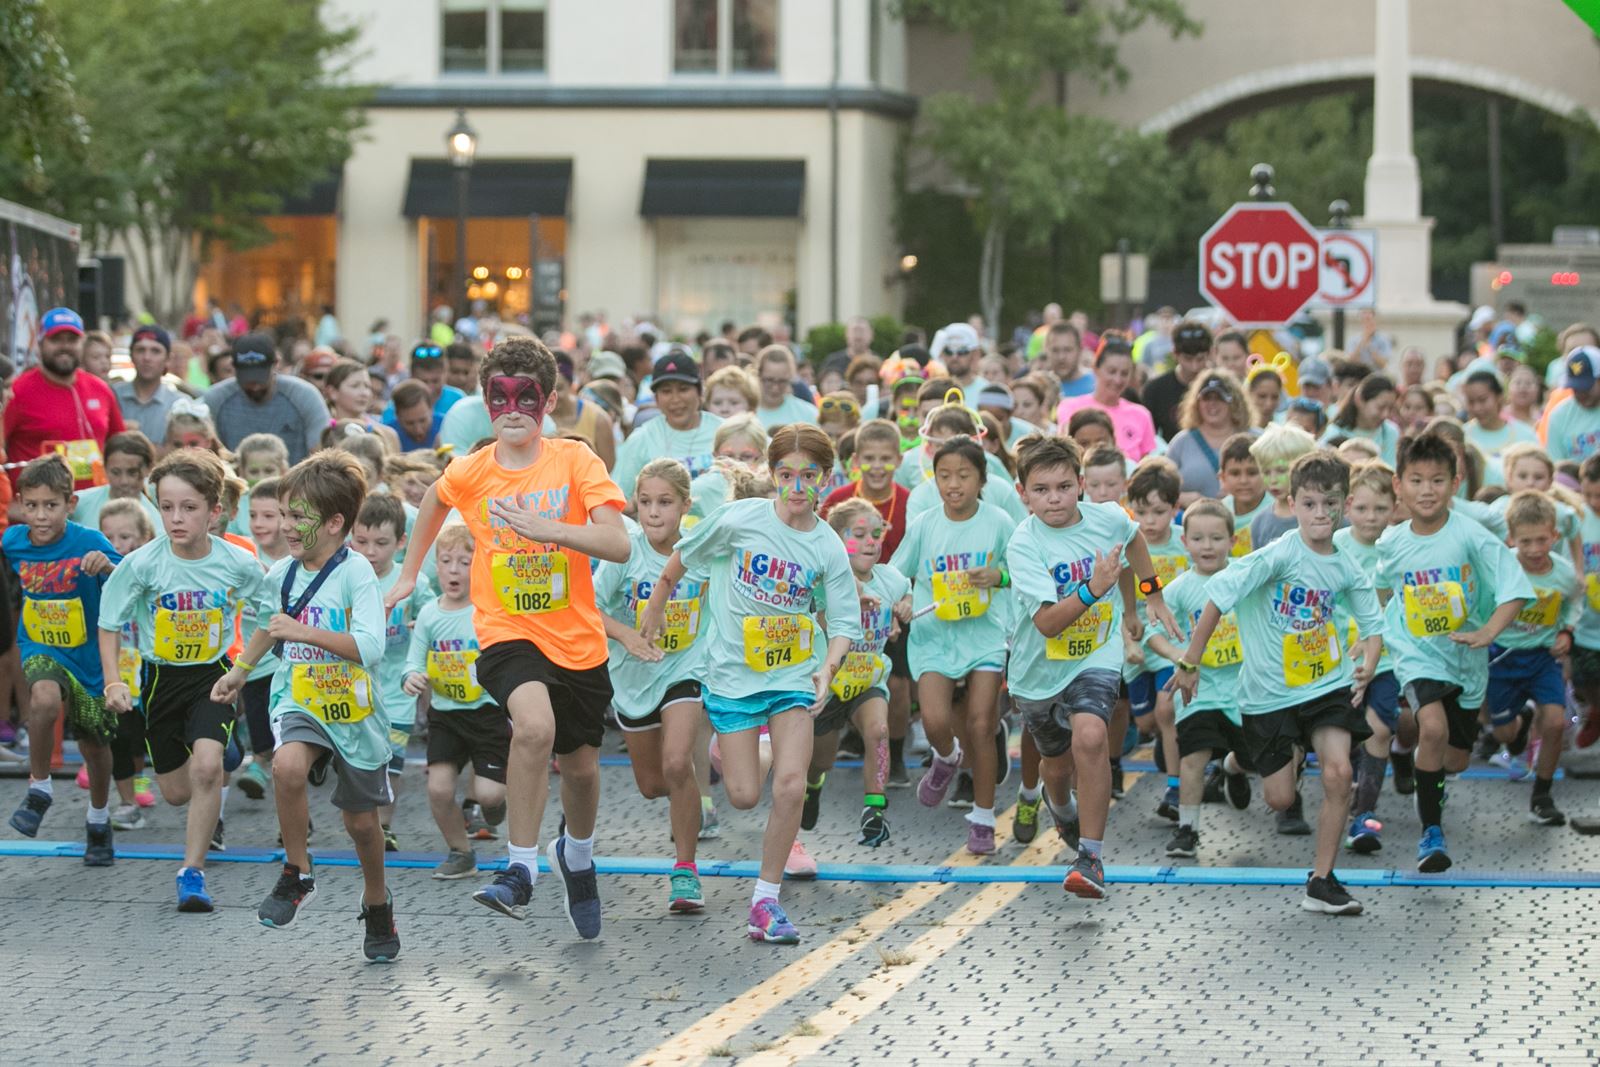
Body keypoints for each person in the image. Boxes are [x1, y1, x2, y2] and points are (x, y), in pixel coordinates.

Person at [389, 336, 628, 941]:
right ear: (486, 400)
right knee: (534, 728)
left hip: (576, 636)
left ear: (548, 401)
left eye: (527, 397)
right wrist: (410, 571)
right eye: (500, 398)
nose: (513, 409)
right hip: (505, 632)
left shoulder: (575, 462)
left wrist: (549, 528)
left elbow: (618, 543)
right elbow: (432, 502)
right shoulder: (471, 471)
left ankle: (577, 854)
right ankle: (520, 870)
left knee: (580, 769)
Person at [640, 424, 860, 944]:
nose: (798, 487)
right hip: (734, 675)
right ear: (772, 475)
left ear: (826, 480)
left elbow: (845, 622)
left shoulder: (827, 546)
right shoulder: (741, 520)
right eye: (787, 475)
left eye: (810, 476)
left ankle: (765, 901)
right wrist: (655, 604)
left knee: (790, 785)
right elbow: (683, 556)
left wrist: (827, 669)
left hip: (794, 675)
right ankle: (739, 751)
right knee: (741, 796)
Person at [1170, 450, 1383, 916]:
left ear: (1345, 506)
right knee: (1280, 797)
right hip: (1267, 694)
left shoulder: (1347, 565)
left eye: (1330, 504)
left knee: (1339, 774)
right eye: (1309, 504)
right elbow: (1217, 599)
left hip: (1325, 685)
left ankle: (1322, 881)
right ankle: (1234, 763)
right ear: (1294, 503)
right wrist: (1189, 660)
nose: (1320, 514)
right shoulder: (1276, 556)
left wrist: (1367, 662)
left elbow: (1372, 627)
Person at [210, 451, 399, 960]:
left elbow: (370, 646)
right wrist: (240, 670)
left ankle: (377, 902)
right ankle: (298, 871)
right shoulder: (281, 574)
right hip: (300, 697)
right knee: (287, 766)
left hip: (354, 710)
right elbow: (269, 625)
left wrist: (304, 631)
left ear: (335, 523)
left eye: (298, 517)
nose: (286, 527)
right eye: (284, 514)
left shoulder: (356, 574)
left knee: (362, 826)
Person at [98, 448, 269, 912]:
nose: (176, 518)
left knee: (208, 767)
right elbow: (109, 621)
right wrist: (114, 682)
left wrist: (242, 668)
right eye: (167, 506)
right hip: (159, 681)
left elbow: (272, 614)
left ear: (214, 511)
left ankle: (191, 873)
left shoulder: (238, 562)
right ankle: (218, 763)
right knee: (176, 792)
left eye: (189, 508)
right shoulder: (143, 564)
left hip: (214, 677)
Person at [1005, 436, 1172, 898]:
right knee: (1055, 771)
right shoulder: (1024, 544)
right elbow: (1047, 624)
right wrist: (1096, 589)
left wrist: (1149, 594)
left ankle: (1091, 857)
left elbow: (1133, 538)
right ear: (1023, 494)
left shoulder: (1108, 517)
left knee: (1093, 737)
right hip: (1038, 671)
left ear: (1081, 485)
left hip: (1096, 653)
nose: (1053, 499)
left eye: (1063, 486)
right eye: (1041, 490)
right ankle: (1059, 806)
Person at [1376, 430, 1532, 874]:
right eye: (1417, 480)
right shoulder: (1391, 542)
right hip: (1416, 653)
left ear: (1456, 482)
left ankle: (1428, 781)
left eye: (1438, 480)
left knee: (1455, 758)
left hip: (1466, 657)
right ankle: (1432, 834)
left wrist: (1487, 632)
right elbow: (1382, 589)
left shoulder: (1472, 537)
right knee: (1431, 728)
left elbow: (1515, 590)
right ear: (1398, 484)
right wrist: (1379, 639)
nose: (1427, 490)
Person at [595, 459, 711, 912]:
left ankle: (685, 871)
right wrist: (625, 635)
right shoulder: (624, 553)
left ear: (686, 505)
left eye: (665, 502)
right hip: (633, 675)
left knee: (678, 761)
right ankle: (689, 795)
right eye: (645, 503)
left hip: (685, 669)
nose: (654, 513)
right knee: (653, 783)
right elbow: (588, 607)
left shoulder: (701, 553)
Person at [892, 436, 1016, 854]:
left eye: (964, 475)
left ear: (982, 478)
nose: (953, 484)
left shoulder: (999, 522)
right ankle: (946, 757)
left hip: (983, 634)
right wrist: (902, 600)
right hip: (934, 637)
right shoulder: (926, 523)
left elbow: (1025, 571)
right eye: (944, 475)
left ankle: (983, 818)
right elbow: (896, 573)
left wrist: (997, 577)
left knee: (982, 724)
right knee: (934, 721)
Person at [5, 455, 120, 865]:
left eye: (50, 505)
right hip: (40, 647)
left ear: (70, 504)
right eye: (32, 505)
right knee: (43, 700)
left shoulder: (88, 540)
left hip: (88, 657)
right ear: (20, 503)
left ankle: (99, 818)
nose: (40, 516)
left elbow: (129, 577)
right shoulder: (13, 541)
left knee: (94, 744)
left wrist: (107, 565)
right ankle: (40, 787)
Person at [800, 497, 909, 852]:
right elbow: (812, 621)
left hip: (867, 680)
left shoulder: (890, 578)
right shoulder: (824, 581)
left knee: (878, 730)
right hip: (827, 685)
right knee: (821, 761)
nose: (869, 542)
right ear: (836, 540)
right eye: (858, 534)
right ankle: (813, 786)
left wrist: (902, 608)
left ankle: (874, 810)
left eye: (876, 534)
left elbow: (905, 595)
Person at [1145, 499, 1251, 860]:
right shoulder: (1179, 588)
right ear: (1185, 542)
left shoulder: (1246, 577)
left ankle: (1233, 768)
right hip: (1198, 691)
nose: (1207, 546)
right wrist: (1181, 658)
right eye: (1199, 538)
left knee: (1255, 757)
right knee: (1192, 757)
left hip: (1244, 690)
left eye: (1217, 538)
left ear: (1233, 541)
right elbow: (1151, 632)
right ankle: (1187, 829)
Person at [403, 522, 510, 880]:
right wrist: (411, 677)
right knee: (438, 788)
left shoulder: (488, 611)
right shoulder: (431, 615)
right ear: (436, 566)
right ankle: (460, 851)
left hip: (487, 714)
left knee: (490, 795)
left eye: (465, 562)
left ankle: (495, 806)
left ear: (480, 566)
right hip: (446, 716)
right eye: (446, 561)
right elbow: (414, 659)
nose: (453, 570)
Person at [1483, 491, 1580, 826]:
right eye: (1527, 542)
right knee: (1505, 735)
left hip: (1541, 656)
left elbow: (1574, 601)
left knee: (1555, 721)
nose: (1536, 550)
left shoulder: (1564, 574)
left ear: (1555, 536)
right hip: (1503, 658)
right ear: (1512, 539)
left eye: (1543, 540)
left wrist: (1566, 631)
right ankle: (1519, 723)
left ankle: (1542, 796)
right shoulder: (1500, 565)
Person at [351, 493, 434, 852]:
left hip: (399, 686)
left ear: (401, 542)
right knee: (362, 759)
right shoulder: (346, 576)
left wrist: (426, 622)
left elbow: (436, 611)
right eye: (362, 541)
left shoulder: (409, 580)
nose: (371, 551)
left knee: (393, 764)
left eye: (381, 543)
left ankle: (383, 825)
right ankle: (363, 821)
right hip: (355, 686)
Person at [1334, 462, 1405, 855]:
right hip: (1334, 659)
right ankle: (1335, 801)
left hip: (1387, 658)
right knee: (1339, 740)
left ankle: (1365, 815)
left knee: (1379, 731)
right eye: (1362, 508)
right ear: (1347, 507)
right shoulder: (1335, 544)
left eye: (1380, 509)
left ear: (1394, 508)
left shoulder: (1399, 544)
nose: (1371, 518)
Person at [1125, 457, 1190, 824]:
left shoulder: (1185, 545)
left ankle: (1175, 788)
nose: (1149, 521)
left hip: (1173, 643)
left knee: (1168, 711)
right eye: (1141, 511)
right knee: (1148, 721)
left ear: (1175, 509)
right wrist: (1128, 637)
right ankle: (1163, 746)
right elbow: (1120, 598)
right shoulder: (1127, 545)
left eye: (1159, 512)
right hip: (1136, 646)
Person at [4, 308, 125, 494]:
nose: (65, 346)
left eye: (72, 340)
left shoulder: (100, 389)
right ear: (40, 344)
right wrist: (10, 506)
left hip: (92, 511)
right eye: (56, 339)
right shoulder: (16, 391)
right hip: (37, 515)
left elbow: (122, 448)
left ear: (82, 344)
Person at [201, 333, 330, 464]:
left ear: (276, 364)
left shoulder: (304, 396)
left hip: (294, 481)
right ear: (234, 368)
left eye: (260, 378)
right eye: (248, 380)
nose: (255, 387)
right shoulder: (216, 399)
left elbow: (321, 454)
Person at [614, 350, 723, 500]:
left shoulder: (724, 432)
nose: (675, 399)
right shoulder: (642, 439)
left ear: (699, 392)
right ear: (656, 399)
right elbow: (617, 498)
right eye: (666, 391)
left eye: (683, 389)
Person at [1056, 336, 1156, 461]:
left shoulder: (1141, 414)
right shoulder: (1070, 407)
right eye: (1111, 371)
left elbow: (1144, 466)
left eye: (1124, 373)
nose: (1117, 380)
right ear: (1095, 368)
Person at [1166, 370, 1254, 506]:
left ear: (1234, 402)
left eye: (1220, 398)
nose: (1212, 404)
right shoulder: (1181, 442)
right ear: (1196, 403)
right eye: (1207, 398)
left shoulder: (1255, 439)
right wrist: (1182, 498)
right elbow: (1161, 489)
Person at [70, 430, 160, 531]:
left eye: (132, 472)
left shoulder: (157, 524)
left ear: (148, 469)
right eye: (115, 472)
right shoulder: (78, 504)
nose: (123, 481)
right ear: (105, 467)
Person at [1248, 424, 1318, 552]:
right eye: (1266, 472)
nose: (1273, 480)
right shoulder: (1260, 522)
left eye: (1281, 470)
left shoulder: (1322, 515)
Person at [1141, 319, 1212, 442]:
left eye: (1200, 359)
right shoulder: (1156, 390)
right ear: (1175, 354)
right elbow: (1148, 437)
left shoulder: (1219, 384)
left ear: (1210, 353)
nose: (1194, 367)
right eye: (1188, 359)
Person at [1461, 370, 1537, 486]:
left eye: (1483, 400)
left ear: (1499, 397)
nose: (1477, 408)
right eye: (1471, 402)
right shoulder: (1462, 435)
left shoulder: (1525, 435)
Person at [113, 325, 184, 442]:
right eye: (140, 350)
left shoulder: (180, 405)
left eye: (155, 351)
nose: (147, 358)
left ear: (168, 359)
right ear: (131, 356)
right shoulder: (111, 396)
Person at [324, 360, 401, 452]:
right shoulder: (323, 433)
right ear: (332, 392)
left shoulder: (387, 435)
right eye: (355, 386)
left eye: (367, 386)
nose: (364, 393)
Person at [1325, 373, 1400, 466]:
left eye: (1390, 408)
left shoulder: (1390, 432)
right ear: (1359, 399)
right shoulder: (1334, 432)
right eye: (1380, 407)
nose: (1385, 414)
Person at [383, 343, 465, 423]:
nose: (429, 388)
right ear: (412, 377)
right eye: (423, 382)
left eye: (435, 381)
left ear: (445, 374)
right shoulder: (396, 406)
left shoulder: (459, 401)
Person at [1544, 346, 1600, 463]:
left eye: (1586, 387)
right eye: (1575, 388)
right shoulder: (1559, 416)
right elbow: (1556, 467)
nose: (1580, 393)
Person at [1219, 433, 1271, 558]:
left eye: (1252, 473)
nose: (1243, 480)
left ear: (1266, 473)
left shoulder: (1275, 510)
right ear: (1223, 477)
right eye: (1235, 473)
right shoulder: (1220, 511)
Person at [754, 345, 819, 429]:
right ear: (758, 375)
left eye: (782, 381)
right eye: (769, 380)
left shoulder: (809, 414)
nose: (775, 388)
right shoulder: (744, 411)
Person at [386, 381, 444, 452]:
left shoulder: (446, 426)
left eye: (422, 421)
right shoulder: (387, 436)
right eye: (410, 423)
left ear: (431, 409)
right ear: (397, 416)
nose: (418, 430)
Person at [1042, 321, 1092, 398]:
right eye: (1055, 350)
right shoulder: (1039, 387)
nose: (1061, 357)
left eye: (1068, 350)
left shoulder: (1097, 385)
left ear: (1080, 350)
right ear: (1046, 351)